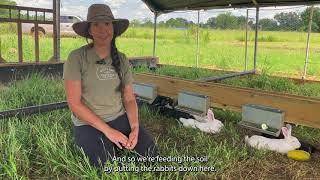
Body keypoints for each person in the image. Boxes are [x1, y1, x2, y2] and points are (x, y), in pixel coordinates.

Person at [63, 4, 159, 168]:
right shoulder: (77, 58)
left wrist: (134, 128)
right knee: (107, 166)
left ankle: (118, 142)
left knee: (153, 157)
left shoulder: (122, 59)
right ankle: (109, 143)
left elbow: (129, 99)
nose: (102, 29)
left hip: (119, 118)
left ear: (113, 28)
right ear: (90, 30)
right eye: (96, 25)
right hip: (88, 123)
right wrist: (108, 131)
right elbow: (75, 104)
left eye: (107, 24)